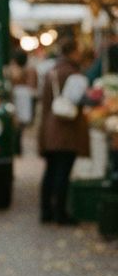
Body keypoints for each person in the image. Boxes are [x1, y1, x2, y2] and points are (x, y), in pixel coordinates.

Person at [37, 34, 90, 225]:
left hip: (50, 127)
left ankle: (46, 211)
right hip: (66, 128)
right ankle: (60, 213)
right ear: (73, 52)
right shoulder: (72, 73)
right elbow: (78, 100)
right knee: (62, 172)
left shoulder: (52, 70)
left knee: (51, 171)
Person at [7, 48, 38, 153]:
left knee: (16, 126)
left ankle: (16, 148)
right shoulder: (30, 70)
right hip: (25, 99)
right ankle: (18, 148)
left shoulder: (15, 70)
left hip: (18, 98)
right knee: (20, 127)